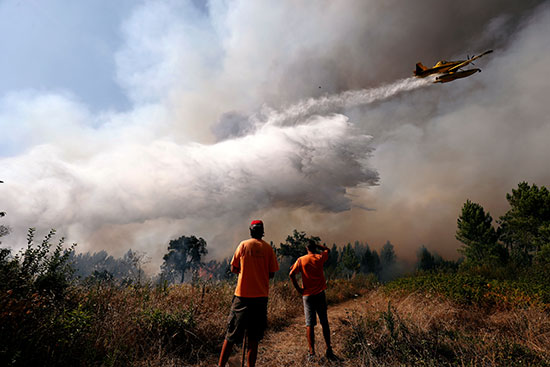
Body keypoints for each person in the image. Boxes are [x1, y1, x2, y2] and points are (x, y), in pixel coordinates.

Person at [218, 220, 279, 367]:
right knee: (253, 338)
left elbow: (233, 268)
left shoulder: (243, 245)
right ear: (262, 232)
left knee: (231, 334)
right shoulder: (268, 249)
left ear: (250, 231)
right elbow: (271, 274)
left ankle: (220, 366)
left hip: (242, 297)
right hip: (260, 298)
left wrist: (245, 271)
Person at [289, 239, 338, 361]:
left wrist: (299, 289)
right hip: (320, 294)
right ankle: (328, 349)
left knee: (309, 324)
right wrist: (317, 245)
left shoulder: (301, 260)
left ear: (306, 248)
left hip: (307, 296)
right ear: (314, 248)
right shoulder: (319, 257)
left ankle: (312, 353)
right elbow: (327, 250)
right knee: (324, 322)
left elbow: (291, 274)